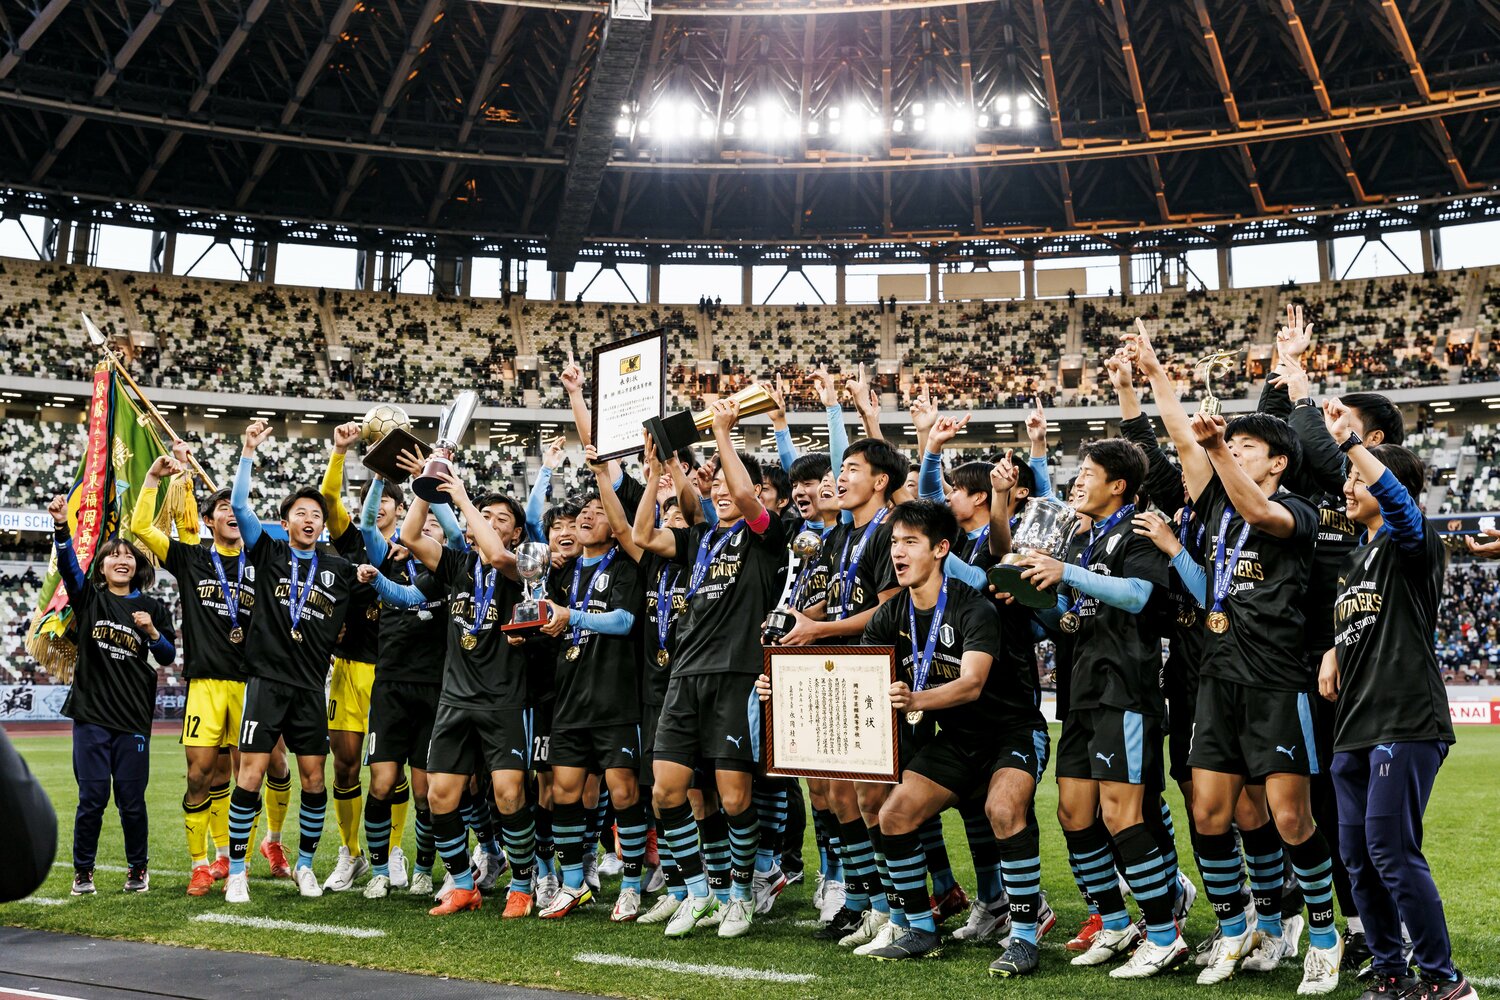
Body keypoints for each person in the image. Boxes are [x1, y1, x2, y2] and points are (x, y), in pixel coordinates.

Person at [1133, 321, 1345, 995]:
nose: (1231, 454)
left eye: (1248, 447)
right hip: (1215, 679)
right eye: (1233, 446)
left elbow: (1254, 502)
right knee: (1213, 813)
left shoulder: (1299, 511)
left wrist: (1221, 448)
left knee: (1288, 817)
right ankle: (1233, 930)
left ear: (1276, 461)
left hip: (1276, 680)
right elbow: (1183, 442)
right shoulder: (1219, 501)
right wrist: (1154, 372)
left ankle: (1321, 935)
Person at [1318, 406, 1474, 1000]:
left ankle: (1443, 981)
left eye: (1359, 478)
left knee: (1390, 849)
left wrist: (1353, 445)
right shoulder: (1353, 562)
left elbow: (1402, 510)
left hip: (1407, 719)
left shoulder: (1415, 544)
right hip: (1354, 726)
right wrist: (1333, 652)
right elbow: (1362, 627)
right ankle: (1390, 972)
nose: (1348, 486)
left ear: (1392, 489)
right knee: (1357, 858)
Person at [1016, 438, 1186, 979]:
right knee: (1074, 812)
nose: (1077, 480)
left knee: (1122, 815)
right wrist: (1035, 593)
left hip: (1125, 691)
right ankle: (1115, 923)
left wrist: (1064, 574)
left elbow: (1138, 596)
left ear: (1118, 484)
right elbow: (1074, 616)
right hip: (1082, 693)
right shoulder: (1087, 542)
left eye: (1087, 472)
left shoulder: (1139, 530)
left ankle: (1163, 935)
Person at [630, 400, 787, 940]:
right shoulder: (699, 540)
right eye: (714, 486)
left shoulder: (768, 538)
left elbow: (745, 496)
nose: (723, 492)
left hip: (736, 676)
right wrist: (655, 475)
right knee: (666, 792)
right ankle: (700, 893)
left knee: (737, 798)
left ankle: (740, 895)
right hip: (683, 678)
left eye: (729, 484)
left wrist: (723, 433)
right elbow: (643, 536)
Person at [130, 447, 295, 894]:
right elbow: (141, 527)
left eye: (236, 507)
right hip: (206, 684)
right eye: (223, 507)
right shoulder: (191, 558)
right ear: (209, 521)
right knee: (204, 775)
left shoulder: (264, 560)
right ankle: (205, 861)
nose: (232, 512)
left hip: (254, 682)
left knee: (269, 767)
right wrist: (152, 479)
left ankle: (270, 844)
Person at [222, 420, 370, 903]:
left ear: (323, 525)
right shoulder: (267, 551)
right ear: (285, 522)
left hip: (311, 686)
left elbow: (368, 597)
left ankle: (306, 865)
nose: (309, 520)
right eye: (301, 513)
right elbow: (240, 506)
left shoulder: (340, 570)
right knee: (249, 775)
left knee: (313, 778)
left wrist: (369, 573)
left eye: (316, 515)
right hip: (266, 681)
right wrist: (247, 451)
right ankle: (238, 870)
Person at [396, 470, 539, 919]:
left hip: (504, 699)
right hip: (455, 699)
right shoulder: (457, 565)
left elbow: (496, 555)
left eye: (501, 519)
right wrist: (427, 484)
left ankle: (521, 883)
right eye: (486, 515)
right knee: (439, 796)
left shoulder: (524, 565)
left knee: (508, 795)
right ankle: (462, 884)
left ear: (516, 532)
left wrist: (460, 496)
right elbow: (409, 534)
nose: (492, 523)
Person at [48, 494, 176, 894]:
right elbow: (70, 569)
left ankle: (138, 869)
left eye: (129, 557)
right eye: (114, 556)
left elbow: (167, 656)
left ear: (138, 568)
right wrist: (61, 527)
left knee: (131, 802)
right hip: (91, 716)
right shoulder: (91, 599)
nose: (123, 560)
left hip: (133, 718)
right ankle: (82, 871)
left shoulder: (153, 606)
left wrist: (152, 632)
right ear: (102, 567)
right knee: (92, 798)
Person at [530, 485, 646, 922]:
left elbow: (624, 620)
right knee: (564, 792)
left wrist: (571, 617)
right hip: (570, 698)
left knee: (621, 792)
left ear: (615, 528)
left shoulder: (626, 568)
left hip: (615, 698)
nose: (586, 516)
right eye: (583, 510)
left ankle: (632, 886)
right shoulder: (564, 572)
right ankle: (573, 884)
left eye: (599, 512)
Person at [352, 478, 463, 900]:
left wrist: (431, 486)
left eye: (431, 525)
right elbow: (366, 527)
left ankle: (422, 870)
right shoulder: (388, 557)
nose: (425, 531)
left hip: (436, 688)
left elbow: (453, 534)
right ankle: (380, 870)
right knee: (381, 783)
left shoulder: (447, 569)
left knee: (424, 791)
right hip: (391, 686)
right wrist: (381, 475)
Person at [319, 423, 386, 892]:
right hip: (348, 667)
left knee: (391, 767)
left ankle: (393, 851)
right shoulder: (351, 541)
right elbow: (327, 498)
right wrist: (341, 452)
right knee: (344, 765)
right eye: (371, 497)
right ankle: (351, 852)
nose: (379, 505)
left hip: (396, 672)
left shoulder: (415, 548)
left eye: (387, 500)